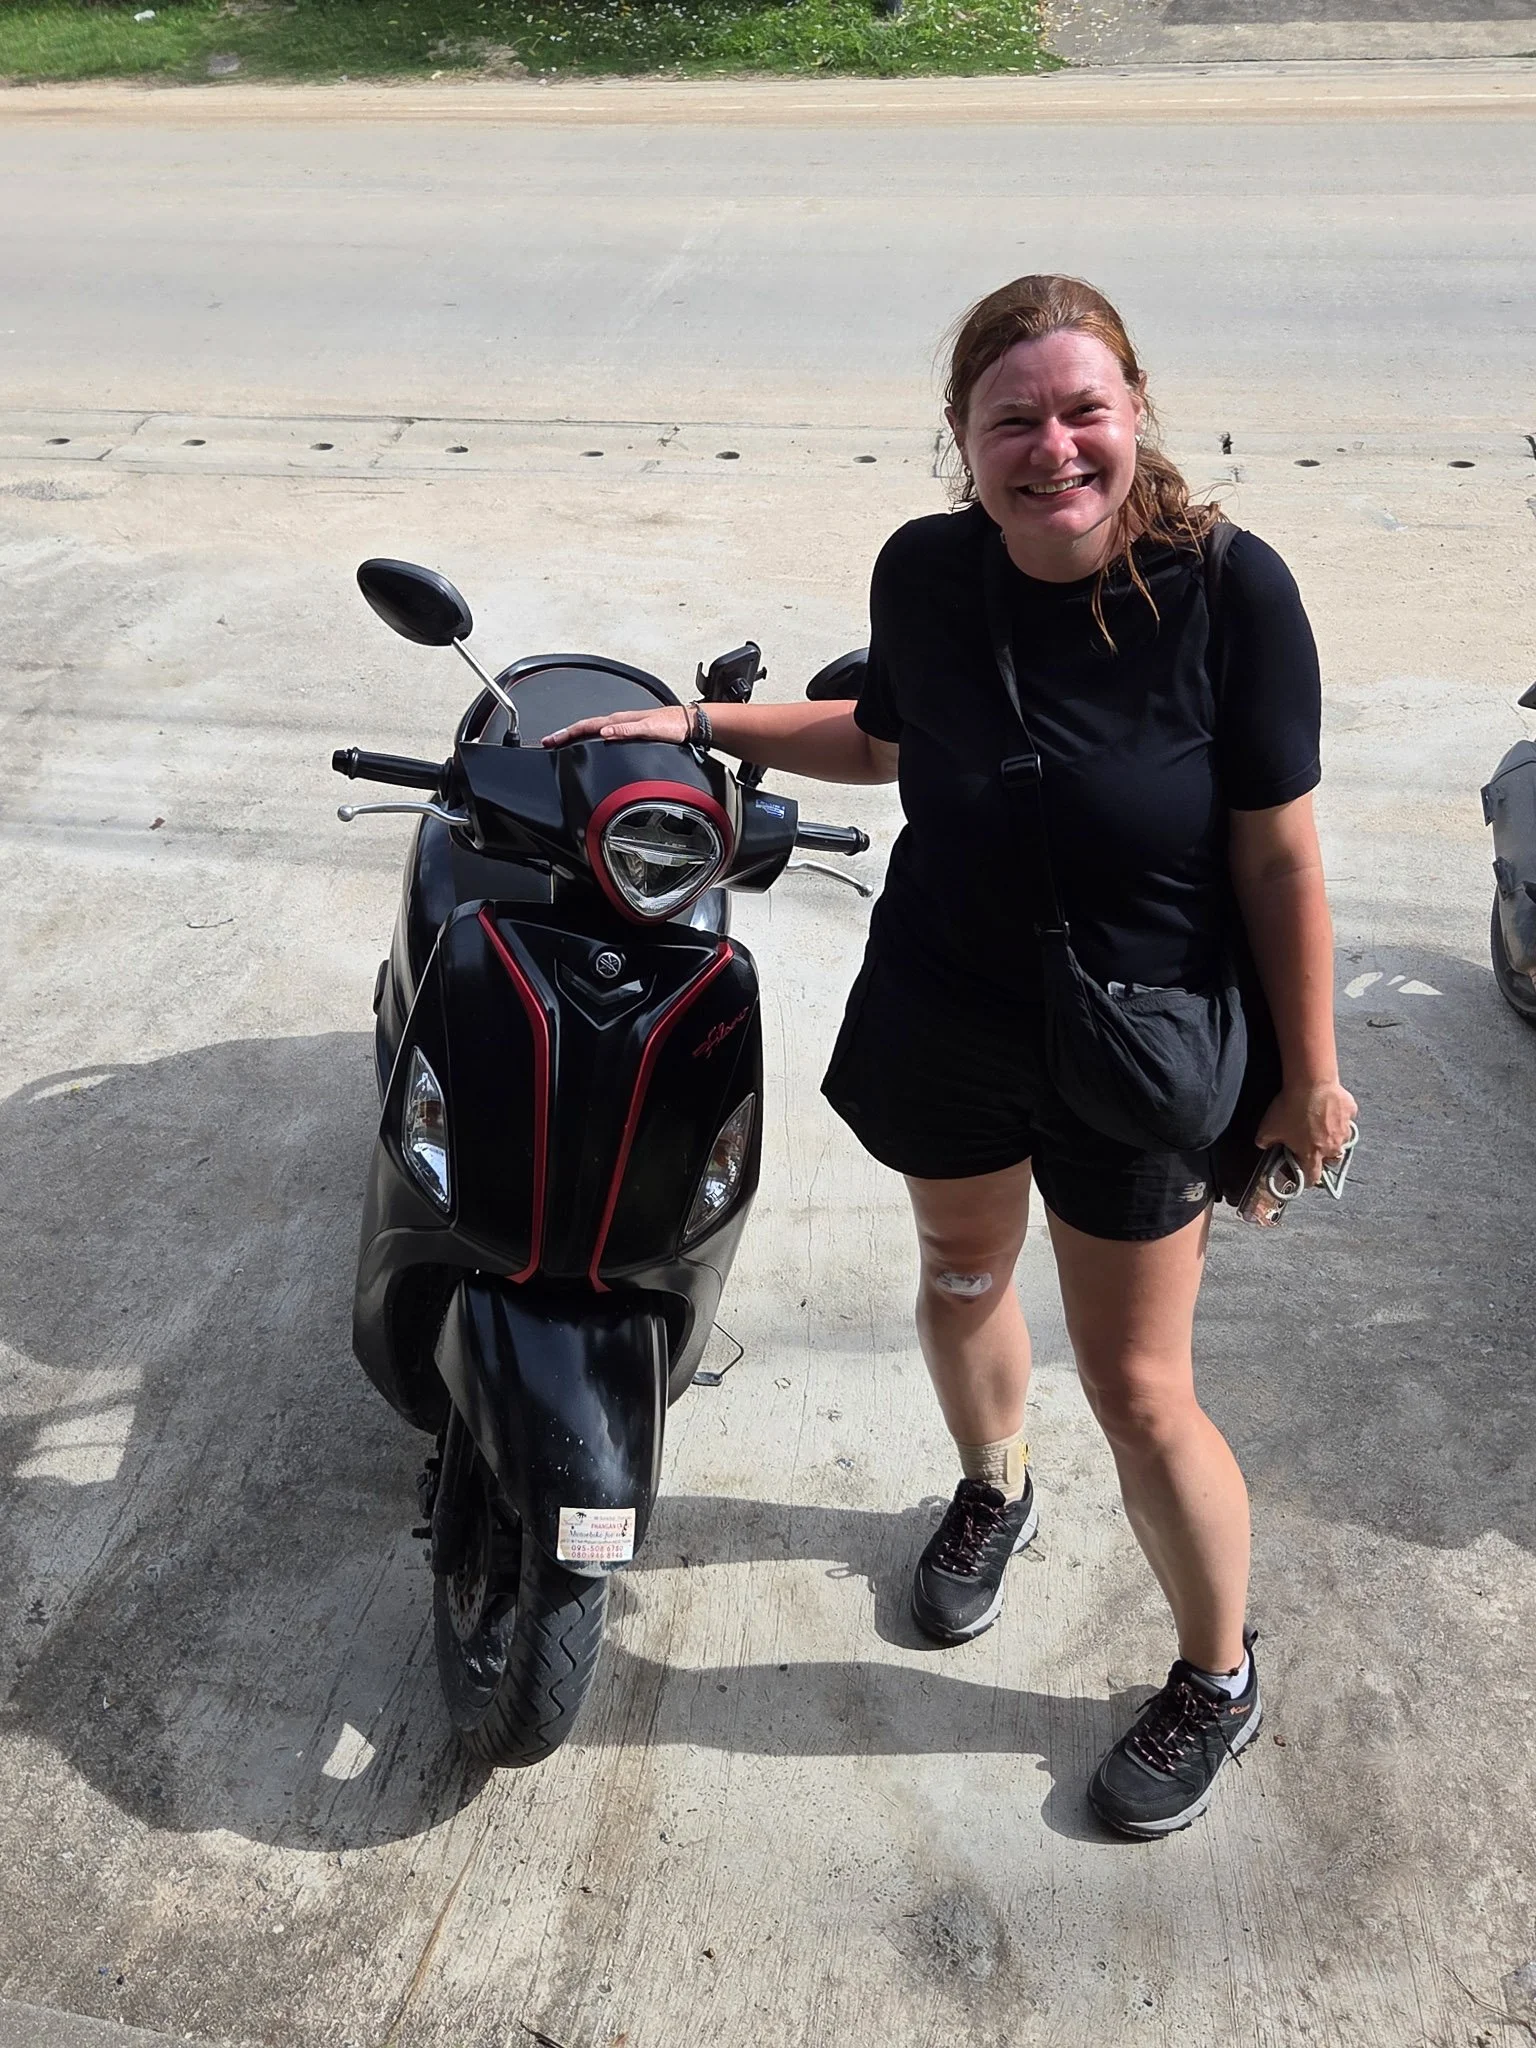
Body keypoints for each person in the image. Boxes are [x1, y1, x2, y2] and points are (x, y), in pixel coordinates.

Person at [544, 273, 1357, 1838]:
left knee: (1139, 1387)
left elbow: (1279, 863)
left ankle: (1218, 1675)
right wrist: (698, 727)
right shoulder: (931, 572)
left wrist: (1309, 1071)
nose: (1053, 448)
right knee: (964, 1278)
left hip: (1143, 1037)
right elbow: (888, 739)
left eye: (1082, 411)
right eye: (1013, 422)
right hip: (953, 1010)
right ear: (962, 443)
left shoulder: (1232, 590)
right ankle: (993, 1486)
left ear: (1134, 415)